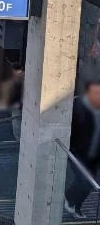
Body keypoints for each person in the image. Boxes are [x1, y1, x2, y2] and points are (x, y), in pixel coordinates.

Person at [64, 79, 100, 219]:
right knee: (83, 180)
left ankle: (76, 205)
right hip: (77, 153)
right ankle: (69, 197)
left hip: (94, 154)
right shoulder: (77, 107)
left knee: (90, 183)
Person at [7, 63, 24, 141]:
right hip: (25, 105)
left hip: (17, 105)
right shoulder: (26, 75)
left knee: (16, 123)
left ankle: (18, 141)